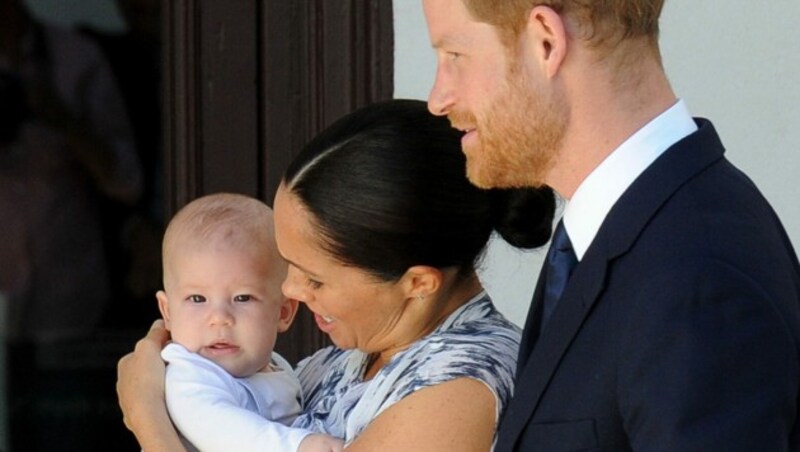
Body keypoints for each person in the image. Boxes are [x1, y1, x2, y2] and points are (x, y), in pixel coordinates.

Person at [422, 0, 800, 450]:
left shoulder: (694, 277)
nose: (438, 99)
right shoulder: (620, 230)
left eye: (455, 57)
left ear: (546, 40)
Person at [116, 99, 557, 451]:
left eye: (315, 278)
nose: (289, 290)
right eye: (289, 266)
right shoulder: (346, 357)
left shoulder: (458, 390)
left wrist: (148, 422)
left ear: (418, 282)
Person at [155, 193, 344, 451]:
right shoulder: (189, 376)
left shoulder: (276, 368)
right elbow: (221, 429)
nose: (219, 318)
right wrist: (297, 445)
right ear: (167, 312)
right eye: (197, 298)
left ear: (283, 312)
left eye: (242, 298)